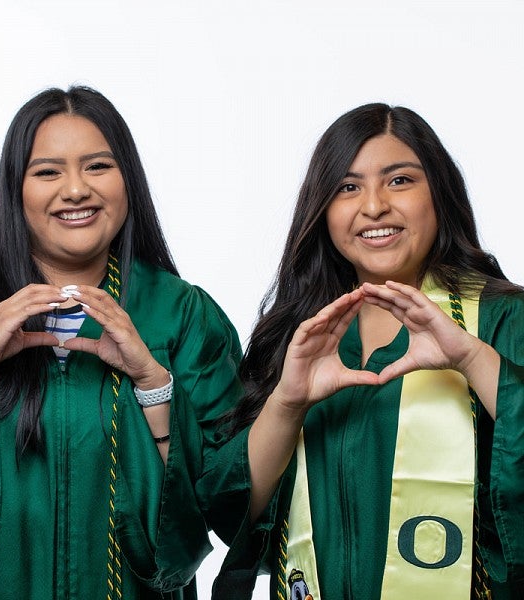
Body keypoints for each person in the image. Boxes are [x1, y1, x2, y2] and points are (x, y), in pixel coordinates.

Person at [0, 85, 242, 599]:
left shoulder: (180, 314)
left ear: (128, 180)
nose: (75, 190)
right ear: (15, 187)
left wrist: (154, 386)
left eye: (97, 167)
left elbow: (228, 501)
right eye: (47, 171)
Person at [199, 104, 524, 599]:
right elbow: (229, 510)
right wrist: (288, 402)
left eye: (399, 181)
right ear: (323, 209)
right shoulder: (297, 336)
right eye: (348, 187)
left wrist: (472, 360)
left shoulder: (502, 318)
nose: (373, 207)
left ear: (439, 194)